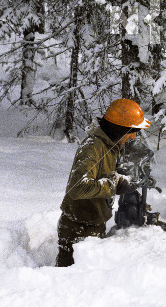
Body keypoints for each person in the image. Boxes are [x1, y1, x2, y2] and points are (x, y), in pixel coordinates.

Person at [55, 98, 151, 267]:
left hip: (93, 225)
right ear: (120, 129)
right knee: (68, 285)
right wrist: (113, 184)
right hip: (78, 230)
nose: (134, 136)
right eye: (133, 131)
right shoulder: (93, 147)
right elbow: (78, 188)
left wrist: (128, 183)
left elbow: (105, 178)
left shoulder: (110, 146)